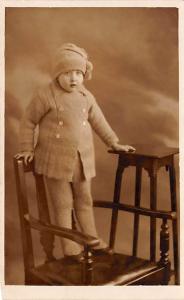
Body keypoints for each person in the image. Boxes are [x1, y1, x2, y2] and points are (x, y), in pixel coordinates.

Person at [15, 43, 135, 262]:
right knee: (63, 204)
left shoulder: (85, 96)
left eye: (78, 73)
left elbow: (99, 122)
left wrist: (114, 142)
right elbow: (28, 121)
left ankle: (92, 241)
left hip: (81, 160)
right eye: (67, 73)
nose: (73, 78)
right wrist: (26, 148)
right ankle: (71, 250)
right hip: (55, 160)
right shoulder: (46, 94)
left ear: (84, 74)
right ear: (57, 74)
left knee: (84, 200)